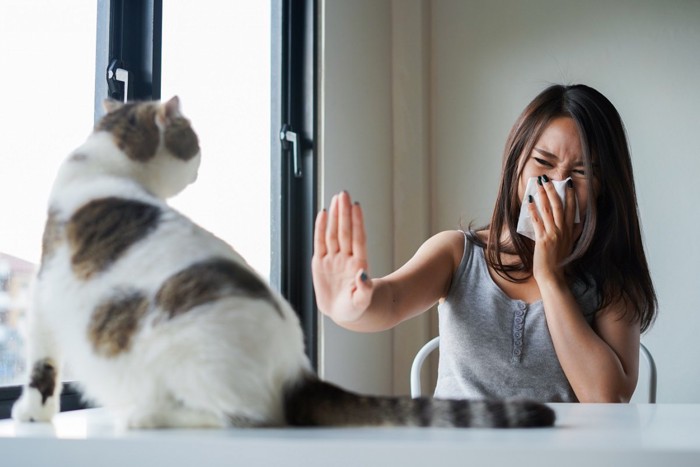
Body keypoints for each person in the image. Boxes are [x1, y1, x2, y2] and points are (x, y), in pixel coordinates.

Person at [312, 84, 657, 403]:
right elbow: (390, 301)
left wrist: (549, 275)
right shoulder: (457, 253)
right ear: (516, 164)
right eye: (544, 163)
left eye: (581, 173)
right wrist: (351, 306)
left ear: (604, 186)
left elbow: (607, 399)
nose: (556, 184)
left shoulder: (612, 279)